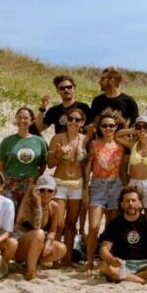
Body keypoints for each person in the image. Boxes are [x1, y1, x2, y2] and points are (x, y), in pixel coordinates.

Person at [98, 187, 147, 284]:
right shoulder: (114, 224)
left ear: (140, 203)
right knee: (104, 266)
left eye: (133, 200)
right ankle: (145, 281)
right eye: (127, 201)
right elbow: (104, 248)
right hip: (123, 264)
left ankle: (128, 278)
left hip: (145, 264)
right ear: (122, 205)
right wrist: (112, 259)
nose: (130, 204)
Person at [84, 110, 126, 270]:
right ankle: (89, 262)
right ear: (99, 127)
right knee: (94, 227)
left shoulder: (120, 146)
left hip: (116, 185)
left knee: (111, 227)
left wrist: (126, 186)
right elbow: (88, 167)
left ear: (116, 127)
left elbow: (121, 169)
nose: (108, 128)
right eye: (104, 125)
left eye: (111, 125)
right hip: (98, 185)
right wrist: (85, 189)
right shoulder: (94, 144)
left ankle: (109, 260)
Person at [47, 108, 89, 263]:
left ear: (82, 123)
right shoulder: (57, 138)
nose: (73, 122)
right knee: (59, 223)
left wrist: (86, 188)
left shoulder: (85, 140)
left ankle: (68, 259)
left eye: (77, 120)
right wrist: (59, 154)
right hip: (60, 183)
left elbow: (87, 167)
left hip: (77, 184)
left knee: (71, 224)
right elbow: (50, 164)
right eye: (71, 119)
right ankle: (55, 258)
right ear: (66, 120)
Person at [13, 174, 68, 280]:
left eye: (50, 191)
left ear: (54, 192)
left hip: (37, 243)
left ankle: (31, 262)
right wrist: (38, 204)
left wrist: (49, 242)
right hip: (20, 245)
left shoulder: (54, 206)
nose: (46, 194)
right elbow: (37, 225)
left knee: (61, 248)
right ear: (36, 191)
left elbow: (52, 230)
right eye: (42, 190)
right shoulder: (28, 203)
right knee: (39, 233)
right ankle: (31, 271)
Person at [0, 106, 49, 209]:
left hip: (30, 185)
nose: (22, 120)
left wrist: (34, 179)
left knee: (27, 214)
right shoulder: (7, 141)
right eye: (19, 117)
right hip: (10, 186)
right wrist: (11, 179)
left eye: (25, 118)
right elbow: (1, 166)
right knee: (9, 214)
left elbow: (43, 165)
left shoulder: (40, 142)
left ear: (32, 120)